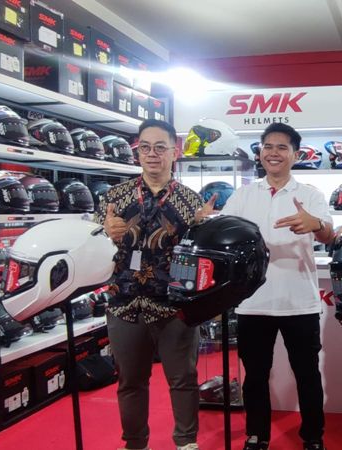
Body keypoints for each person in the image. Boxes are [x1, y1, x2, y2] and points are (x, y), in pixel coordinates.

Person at [95, 119, 214, 450]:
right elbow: (92, 249)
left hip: (175, 304)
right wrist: (105, 233)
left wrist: (202, 229)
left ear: (174, 152)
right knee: (130, 381)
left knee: (183, 379)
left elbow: (200, 255)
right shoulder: (114, 198)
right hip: (124, 301)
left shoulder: (192, 201)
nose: (152, 154)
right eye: (145, 147)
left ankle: (186, 442)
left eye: (160, 147)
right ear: (138, 152)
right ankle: (135, 443)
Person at [221, 122, 335, 450]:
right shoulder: (243, 195)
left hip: (300, 302)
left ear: (295, 155)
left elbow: (329, 234)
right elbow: (226, 235)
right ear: (260, 152)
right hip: (252, 302)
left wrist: (316, 224)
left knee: (307, 374)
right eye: (268, 146)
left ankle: (313, 436)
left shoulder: (310, 194)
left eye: (282, 147)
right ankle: (257, 435)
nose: (274, 153)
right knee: (255, 375)